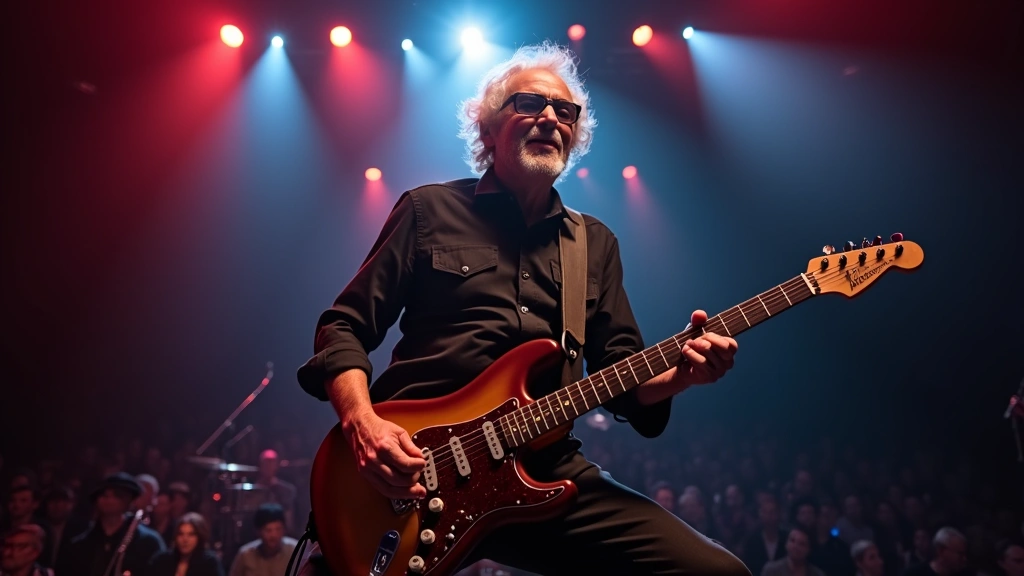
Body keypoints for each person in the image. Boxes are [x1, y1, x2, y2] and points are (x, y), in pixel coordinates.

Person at [296, 41, 746, 575]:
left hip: (542, 468)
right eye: (530, 103)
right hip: (414, 466)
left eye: (565, 112)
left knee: (716, 573)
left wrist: (683, 376)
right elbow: (342, 326)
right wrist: (362, 424)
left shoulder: (594, 244)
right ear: (487, 131)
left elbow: (621, 375)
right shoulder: (428, 209)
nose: (551, 118)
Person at [57, 473, 166, 576]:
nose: (109, 499)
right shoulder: (80, 545)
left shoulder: (148, 542)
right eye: (104, 495)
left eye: (117, 495)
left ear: (129, 501)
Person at [228, 503, 297, 576]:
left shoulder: (295, 552)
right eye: (268, 530)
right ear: (258, 532)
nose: (273, 535)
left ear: (284, 530)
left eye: (278, 529)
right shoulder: (246, 555)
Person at [147, 512, 224, 576]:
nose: (185, 539)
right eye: (181, 534)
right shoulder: (161, 560)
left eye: (191, 534)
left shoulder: (210, 564)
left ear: (200, 537)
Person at [761, 526, 825, 576]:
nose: (795, 546)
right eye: (792, 541)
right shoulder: (771, 571)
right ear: (786, 544)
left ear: (808, 549)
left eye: (801, 544)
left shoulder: (817, 574)